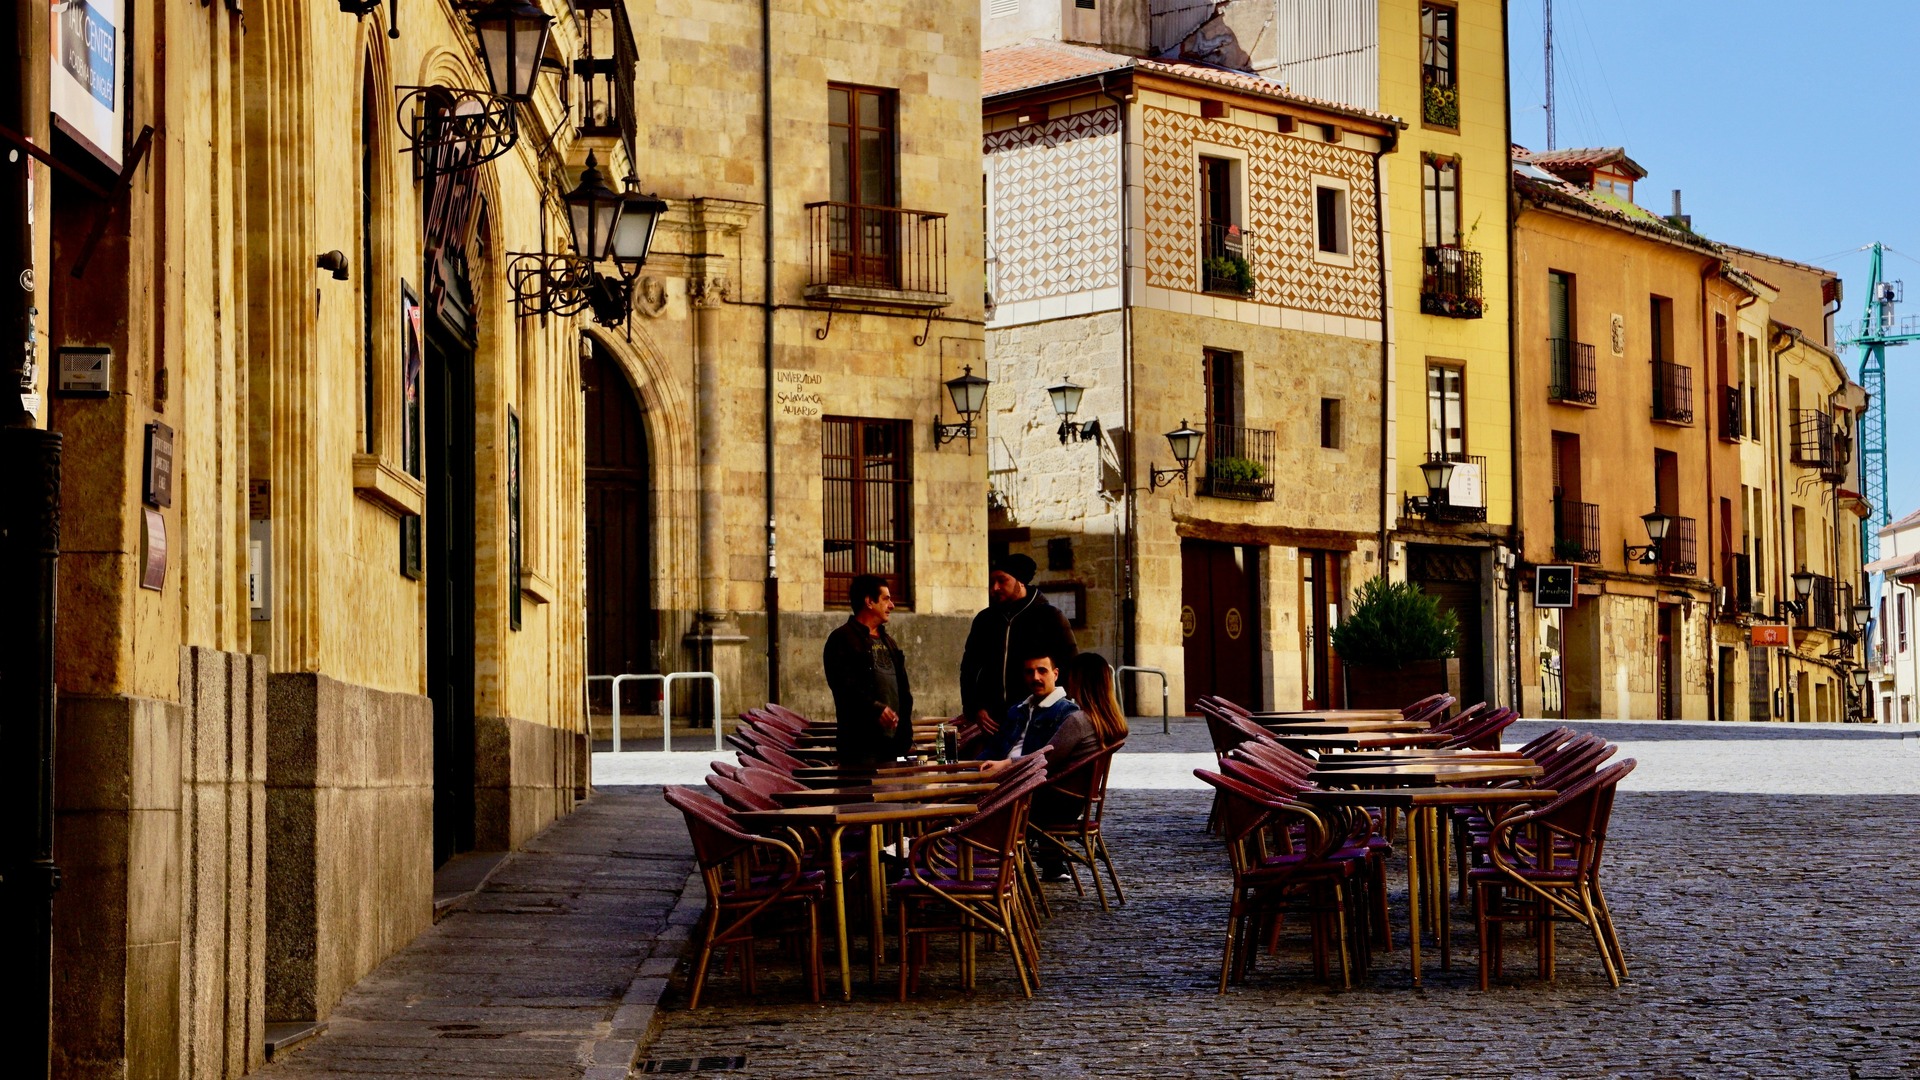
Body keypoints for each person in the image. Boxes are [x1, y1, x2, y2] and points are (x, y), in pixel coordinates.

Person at [980, 653, 1098, 882]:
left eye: (1042, 671)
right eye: (1029, 671)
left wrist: (1007, 765)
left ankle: (985, 863)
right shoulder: (1018, 709)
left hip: (1032, 788)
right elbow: (995, 746)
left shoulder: (1068, 714)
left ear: (1056, 674)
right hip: (1009, 777)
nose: (1035, 677)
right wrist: (972, 768)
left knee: (978, 804)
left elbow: (1047, 758)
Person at [958, 553, 1077, 749]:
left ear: (1020, 582)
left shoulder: (1050, 617)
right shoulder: (984, 620)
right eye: (991, 582)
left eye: (1001, 581)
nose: (994, 588)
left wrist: (1054, 709)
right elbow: (969, 669)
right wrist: (975, 708)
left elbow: (1070, 666)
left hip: (1037, 719)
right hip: (993, 722)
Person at [821, 574, 913, 769]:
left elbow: (903, 689)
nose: (892, 605)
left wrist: (905, 731)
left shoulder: (889, 642)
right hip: (860, 747)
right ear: (869, 601)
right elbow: (844, 687)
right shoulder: (842, 639)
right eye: (886, 599)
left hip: (893, 745)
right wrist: (875, 708)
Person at [1063, 651, 1130, 749]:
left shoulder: (1078, 721)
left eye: (1070, 675)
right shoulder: (1107, 720)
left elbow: (1047, 758)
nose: (1067, 680)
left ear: (1078, 681)